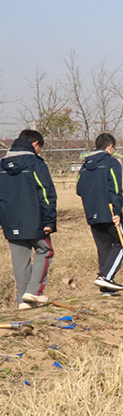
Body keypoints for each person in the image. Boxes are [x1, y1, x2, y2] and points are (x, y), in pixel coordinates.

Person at [0, 129, 57, 308]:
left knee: (20, 260)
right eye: (39, 147)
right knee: (45, 250)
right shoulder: (35, 163)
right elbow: (46, 193)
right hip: (35, 219)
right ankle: (34, 291)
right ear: (35, 144)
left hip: (10, 221)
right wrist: (49, 220)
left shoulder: (1, 164)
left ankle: (23, 301)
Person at [76, 132, 123, 295]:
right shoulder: (111, 163)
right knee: (122, 243)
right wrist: (118, 211)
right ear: (110, 146)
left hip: (91, 211)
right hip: (109, 211)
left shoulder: (84, 165)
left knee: (104, 247)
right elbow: (115, 188)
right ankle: (105, 276)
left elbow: (79, 189)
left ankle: (106, 288)